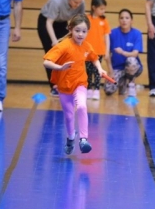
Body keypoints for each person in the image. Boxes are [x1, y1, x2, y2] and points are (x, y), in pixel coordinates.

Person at [43, 14, 107, 154]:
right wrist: (60, 68)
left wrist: (100, 68)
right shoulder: (64, 46)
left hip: (80, 84)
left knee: (82, 106)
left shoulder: (86, 46)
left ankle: (83, 139)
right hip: (64, 87)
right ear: (70, 29)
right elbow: (46, 62)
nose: (80, 34)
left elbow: (94, 58)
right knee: (69, 116)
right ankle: (71, 137)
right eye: (77, 30)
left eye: (84, 31)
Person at [38, 0, 85, 96]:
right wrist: (54, 41)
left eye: (79, 2)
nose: (77, 5)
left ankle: (66, 84)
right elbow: (49, 23)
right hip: (46, 22)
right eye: (75, 2)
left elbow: (80, 21)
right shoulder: (57, 1)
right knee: (52, 55)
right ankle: (54, 86)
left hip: (62, 23)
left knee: (66, 53)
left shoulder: (81, 3)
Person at [105, 9, 143, 97]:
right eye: (121, 18)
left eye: (127, 18)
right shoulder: (113, 33)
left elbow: (135, 54)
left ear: (131, 20)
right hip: (117, 68)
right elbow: (107, 54)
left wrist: (122, 52)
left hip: (133, 68)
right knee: (108, 90)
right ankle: (122, 83)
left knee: (131, 60)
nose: (124, 20)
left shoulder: (136, 33)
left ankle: (131, 84)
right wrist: (110, 71)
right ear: (119, 20)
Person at [84, 0, 110, 100]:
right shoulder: (87, 19)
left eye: (104, 8)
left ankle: (97, 90)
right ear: (93, 7)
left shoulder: (104, 21)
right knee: (88, 71)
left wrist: (107, 50)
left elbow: (107, 36)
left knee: (98, 71)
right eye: (101, 8)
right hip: (87, 51)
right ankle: (89, 89)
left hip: (99, 51)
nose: (103, 11)